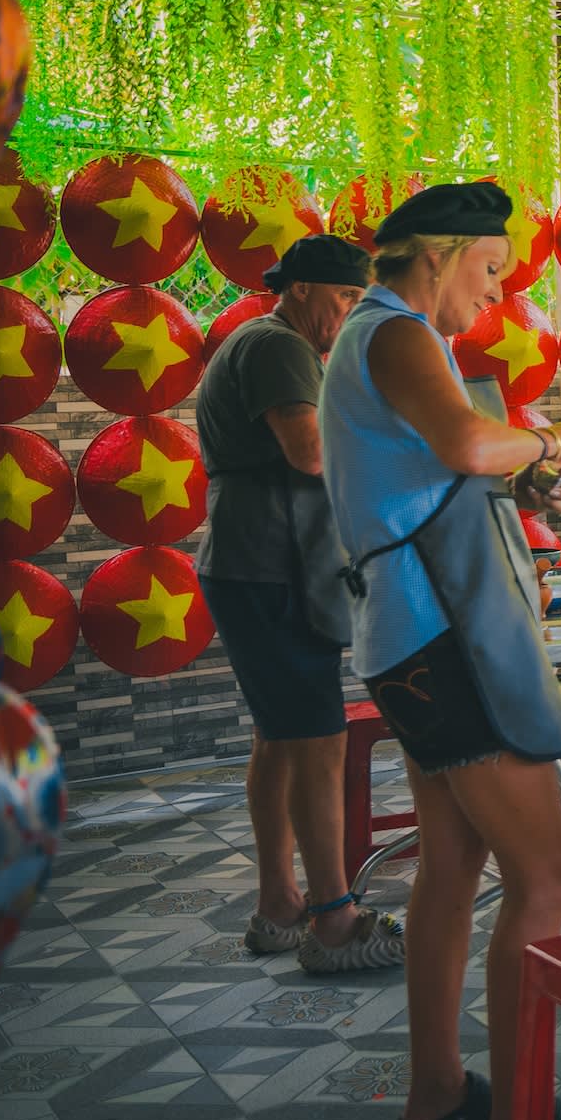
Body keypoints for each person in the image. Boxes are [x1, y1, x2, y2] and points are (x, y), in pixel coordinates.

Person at [318, 181, 561, 1120]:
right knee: (548, 871)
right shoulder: (396, 332)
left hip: (404, 639)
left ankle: (435, 1098)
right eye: (489, 268)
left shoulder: (375, 338)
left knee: (453, 861)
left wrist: (520, 473)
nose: (496, 291)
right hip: (442, 640)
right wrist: (554, 441)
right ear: (436, 255)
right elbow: (469, 443)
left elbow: (439, 470)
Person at [193, 234, 403, 974]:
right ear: (303, 289)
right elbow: (311, 452)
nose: (348, 312)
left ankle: (279, 906)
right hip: (269, 568)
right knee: (319, 740)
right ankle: (334, 920)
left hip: (251, 565)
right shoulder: (279, 345)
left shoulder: (264, 342)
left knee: (280, 738)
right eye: (344, 297)